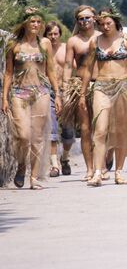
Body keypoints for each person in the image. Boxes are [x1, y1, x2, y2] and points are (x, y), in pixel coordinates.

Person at [80, 6, 127, 186]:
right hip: (101, 86)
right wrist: (83, 94)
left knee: (121, 131)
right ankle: (98, 172)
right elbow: (88, 68)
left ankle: (119, 171)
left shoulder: (126, 41)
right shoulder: (95, 41)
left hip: (122, 85)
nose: (106, 27)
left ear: (116, 23)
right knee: (100, 129)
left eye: (109, 23)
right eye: (103, 24)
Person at [2, 7, 61, 190]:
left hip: (41, 92)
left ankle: (34, 177)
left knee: (37, 138)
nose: (35, 25)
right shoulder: (14, 45)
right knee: (23, 135)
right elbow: (9, 73)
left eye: (38, 22)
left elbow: (51, 69)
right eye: (32, 21)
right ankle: (21, 166)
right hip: (19, 93)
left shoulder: (44, 44)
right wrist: (4, 98)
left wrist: (57, 94)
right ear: (25, 24)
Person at [61, 5, 98, 180]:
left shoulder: (102, 37)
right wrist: (65, 89)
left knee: (102, 128)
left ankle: (102, 165)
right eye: (81, 18)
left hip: (102, 85)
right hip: (80, 85)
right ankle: (89, 168)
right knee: (85, 129)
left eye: (88, 17)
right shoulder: (73, 41)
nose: (84, 21)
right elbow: (68, 66)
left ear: (95, 18)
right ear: (77, 21)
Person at [44, 21, 68, 178]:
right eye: (49, 34)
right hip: (48, 91)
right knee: (52, 129)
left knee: (68, 131)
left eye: (55, 34)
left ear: (60, 34)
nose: (53, 37)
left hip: (66, 90)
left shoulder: (66, 49)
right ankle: (54, 165)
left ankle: (65, 157)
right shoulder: (41, 49)